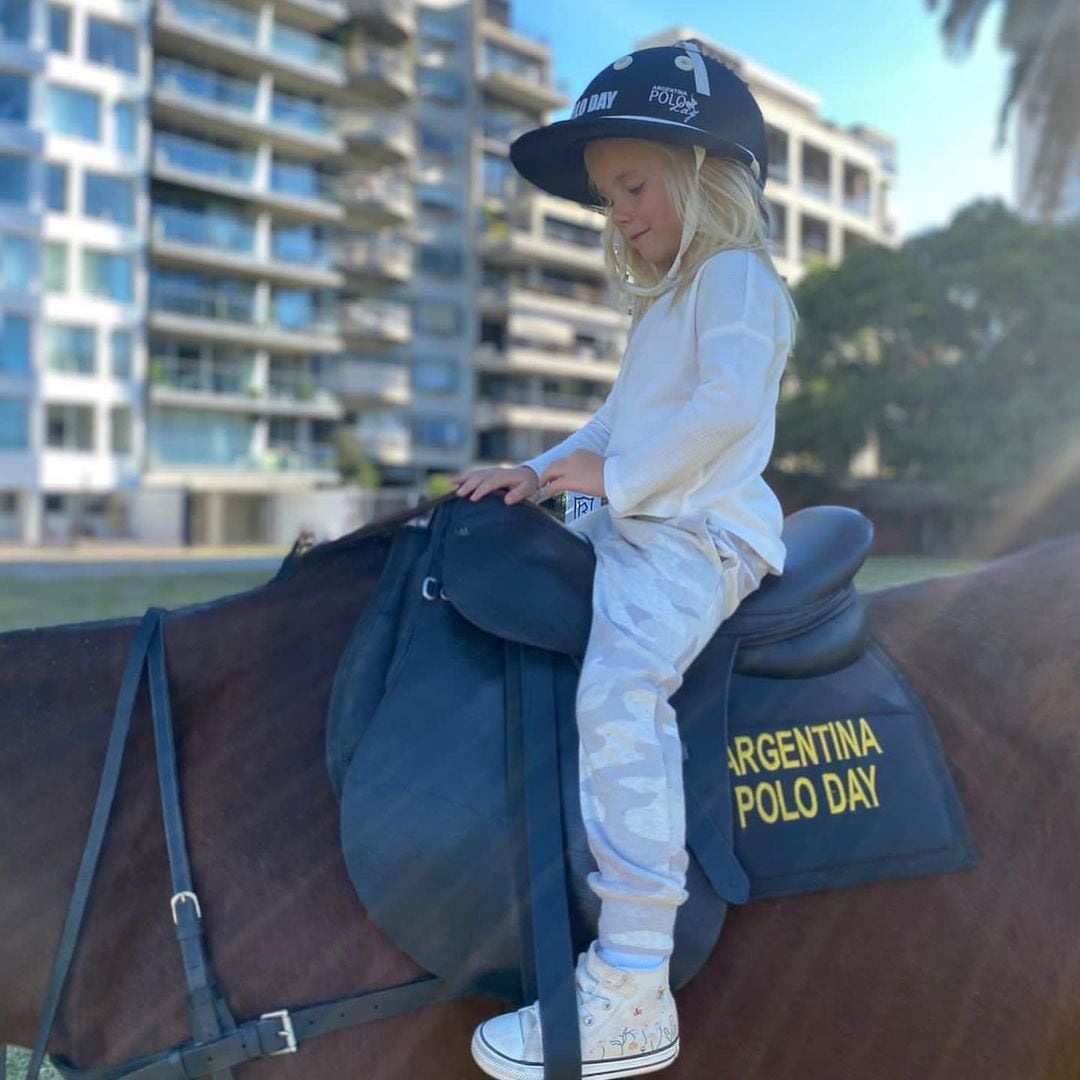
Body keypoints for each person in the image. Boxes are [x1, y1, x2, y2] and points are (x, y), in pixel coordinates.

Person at [453, 39, 800, 1080]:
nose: (623, 214)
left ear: (708, 175)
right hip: (642, 515)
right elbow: (614, 420)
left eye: (635, 185)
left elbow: (725, 409)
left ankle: (636, 976)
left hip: (699, 533)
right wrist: (541, 470)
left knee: (618, 687)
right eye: (609, 199)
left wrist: (612, 475)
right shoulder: (670, 303)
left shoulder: (737, 278)